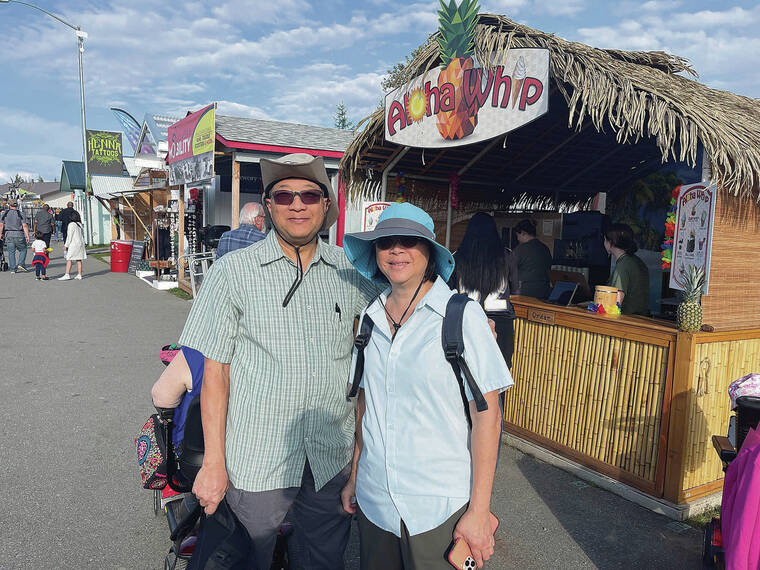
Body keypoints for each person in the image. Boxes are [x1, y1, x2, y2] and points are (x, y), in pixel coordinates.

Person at [178, 153, 378, 569]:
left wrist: (464, 317)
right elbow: (215, 373)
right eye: (284, 195)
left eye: (309, 194)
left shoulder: (352, 272)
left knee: (323, 562)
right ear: (268, 206)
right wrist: (214, 463)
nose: (297, 204)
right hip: (256, 459)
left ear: (326, 205)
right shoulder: (233, 272)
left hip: (330, 457)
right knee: (245, 560)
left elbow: (402, 308)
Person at [339, 203, 512, 570]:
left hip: (439, 508)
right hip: (376, 502)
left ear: (430, 254)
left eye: (409, 241)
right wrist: (355, 477)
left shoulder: (462, 316)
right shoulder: (369, 320)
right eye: (386, 242)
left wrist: (479, 512)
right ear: (374, 252)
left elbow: (487, 416)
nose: (396, 250)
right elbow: (365, 409)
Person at [450, 212, 519, 369]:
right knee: (499, 374)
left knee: (465, 373)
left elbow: (450, 291)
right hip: (501, 323)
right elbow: (515, 290)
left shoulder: (457, 257)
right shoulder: (507, 255)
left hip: (466, 319)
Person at [604, 223, 650, 315]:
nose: (604, 242)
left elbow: (616, 304)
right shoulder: (636, 261)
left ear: (611, 242)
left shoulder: (623, 265)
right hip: (640, 318)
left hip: (627, 319)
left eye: (605, 240)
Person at [513, 219, 552, 299]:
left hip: (524, 292)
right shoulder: (545, 248)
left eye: (518, 235)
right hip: (544, 292)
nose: (517, 239)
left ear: (524, 233)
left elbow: (509, 268)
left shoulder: (521, 249)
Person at [0, 199, 30, 273]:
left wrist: (0, 233)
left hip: (8, 234)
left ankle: (13, 269)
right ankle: (20, 263)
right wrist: (27, 236)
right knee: (23, 249)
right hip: (19, 234)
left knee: (11, 252)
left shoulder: (4, 214)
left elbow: (1, 225)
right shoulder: (21, 213)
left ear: (9, 205)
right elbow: (25, 225)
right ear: (17, 205)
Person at [59, 211, 87, 281]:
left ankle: (67, 274)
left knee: (69, 259)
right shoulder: (80, 224)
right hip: (80, 243)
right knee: (79, 259)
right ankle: (79, 274)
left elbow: (69, 236)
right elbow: (82, 235)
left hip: (74, 244)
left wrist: (66, 245)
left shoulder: (71, 224)